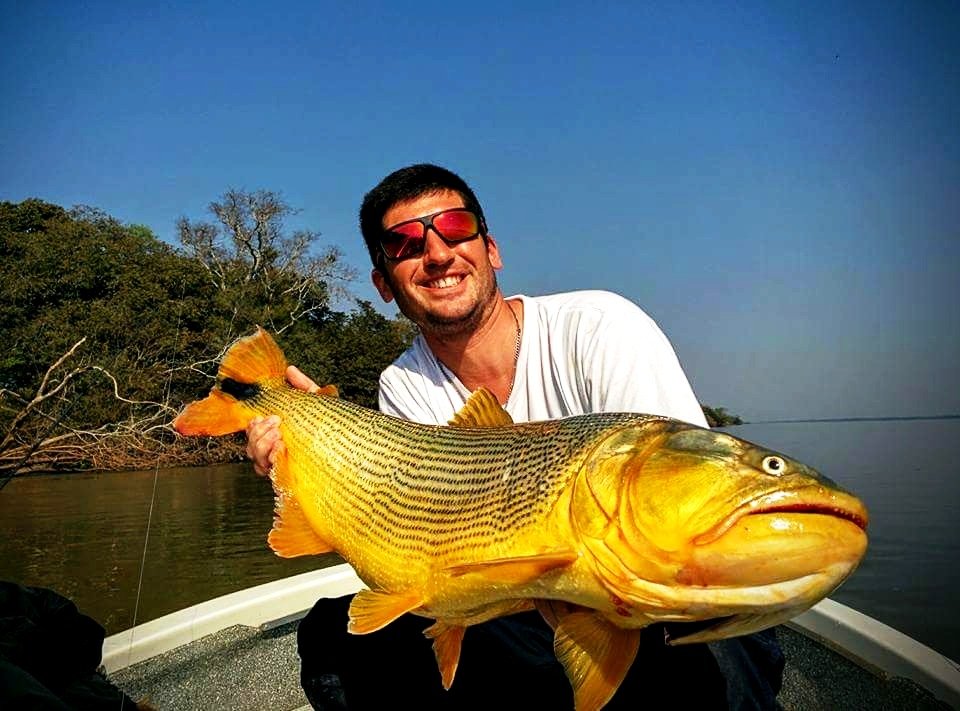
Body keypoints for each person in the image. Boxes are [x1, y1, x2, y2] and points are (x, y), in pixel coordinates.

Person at [246, 164, 784, 709]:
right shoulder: (403, 385)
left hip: (664, 597)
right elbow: (421, 550)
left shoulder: (600, 326)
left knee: (712, 646)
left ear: (491, 249)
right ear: (384, 284)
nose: (437, 253)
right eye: (405, 244)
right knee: (335, 638)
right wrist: (315, 443)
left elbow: (683, 502)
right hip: (521, 604)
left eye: (455, 227)